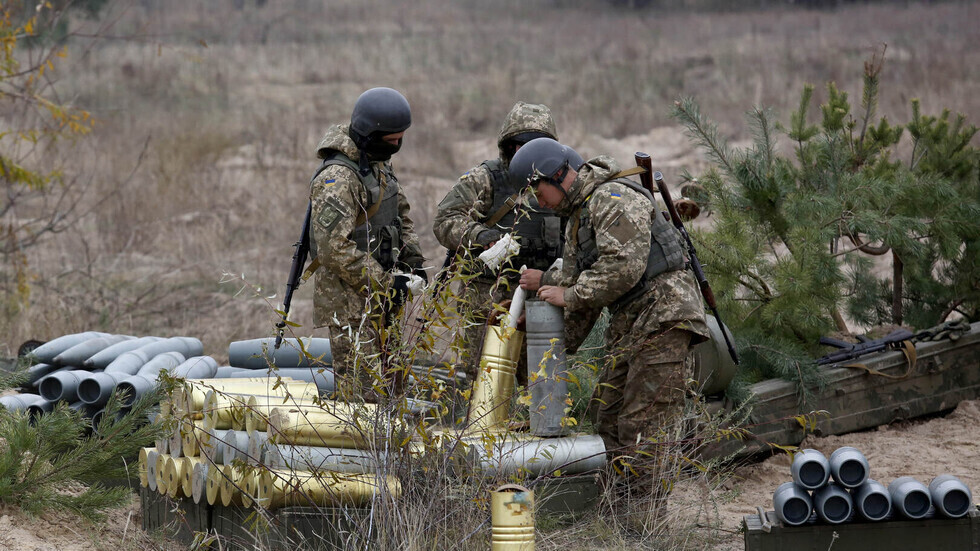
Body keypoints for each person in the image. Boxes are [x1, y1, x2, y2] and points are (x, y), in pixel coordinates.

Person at [510, 137, 709, 455]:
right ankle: (617, 505)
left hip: (664, 319)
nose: (539, 203)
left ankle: (643, 506)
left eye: (537, 191)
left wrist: (570, 295)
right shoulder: (579, 217)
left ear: (557, 174)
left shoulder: (611, 197)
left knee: (643, 431)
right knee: (609, 421)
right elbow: (581, 300)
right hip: (632, 325)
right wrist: (541, 333)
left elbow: (623, 268)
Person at [308, 87, 426, 399]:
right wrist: (388, 283)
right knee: (363, 397)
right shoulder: (337, 179)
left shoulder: (378, 162)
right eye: (391, 141)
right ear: (368, 135)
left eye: (401, 139)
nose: (397, 146)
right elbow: (334, 250)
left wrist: (413, 260)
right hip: (351, 305)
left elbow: (399, 214)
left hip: (382, 296)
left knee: (393, 387)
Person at [432, 101, 562, 384]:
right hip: (486, 298)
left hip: (541, 298)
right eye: (519, 144)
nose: (525, 152)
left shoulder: (560, 180)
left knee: (541, 383)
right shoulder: (485, 178)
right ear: (508, 145)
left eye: (536, 145)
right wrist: (482, 237)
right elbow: (445, 221)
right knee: (481, 381)